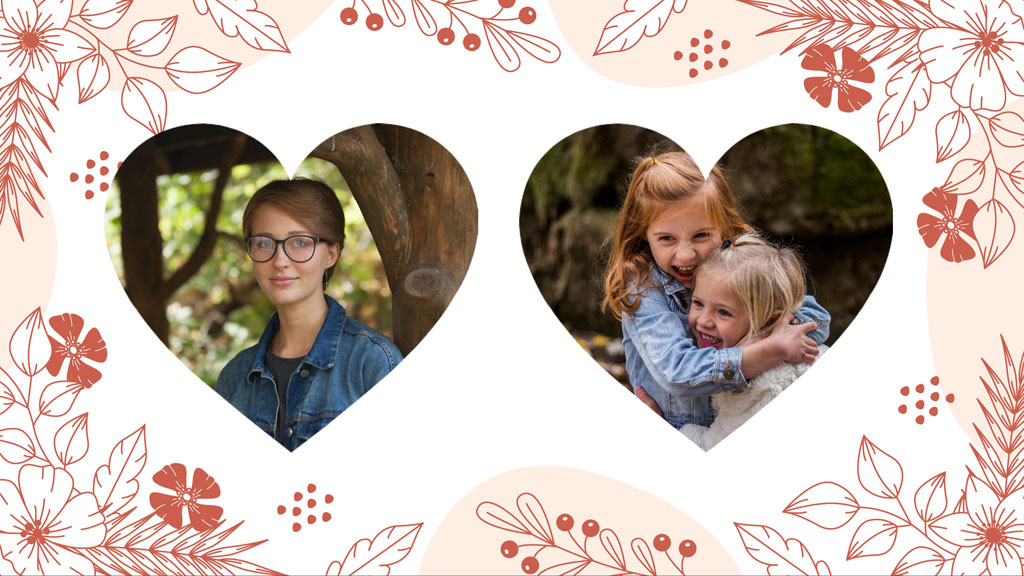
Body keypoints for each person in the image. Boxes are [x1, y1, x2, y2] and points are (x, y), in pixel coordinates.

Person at [601, 151, 829, 429]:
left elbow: (816, 321)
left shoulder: (738, 264)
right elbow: (678, 372)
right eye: (667, 239)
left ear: (724, 227)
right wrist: (769, 349)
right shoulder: (643, 288)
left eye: (701, 235)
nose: (686, 255)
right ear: (643, 235)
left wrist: (767, 338)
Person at [216, 179, 402, 451]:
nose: (280, 260)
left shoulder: (371, 362)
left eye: (300, 242)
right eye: (264, 243)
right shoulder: (235, 376)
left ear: (331, 254)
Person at [678, 234, 826, 449]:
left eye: (723, 312)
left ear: (769, 320)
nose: (703, 321)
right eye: (698, 303)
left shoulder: (766, 385)